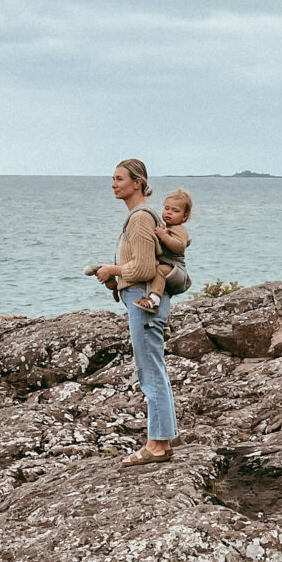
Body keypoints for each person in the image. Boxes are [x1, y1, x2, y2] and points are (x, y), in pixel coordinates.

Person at [90, 159, 178, 468]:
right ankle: (160, 440)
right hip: (144, 298)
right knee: (154, 369)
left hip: (144, 302)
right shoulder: (143, 217)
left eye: (119, 179)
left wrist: (111, 270)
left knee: (150, 372)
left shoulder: (140, 218)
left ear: (137, 183)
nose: (113, 184)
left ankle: (157, 445)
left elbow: (144, 268)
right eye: (112, 179)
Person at [135, 188, 192, 312]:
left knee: (160, 270)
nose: (169, 213)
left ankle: (153, 300)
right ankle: (164, 322)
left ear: (185, 216)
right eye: (167, 208)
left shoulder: (179, 229)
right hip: (170, 271)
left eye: (175, 211)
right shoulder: (165, 227)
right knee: (163, 290)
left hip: (177, 271)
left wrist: (164, 236)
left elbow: (179, 246)